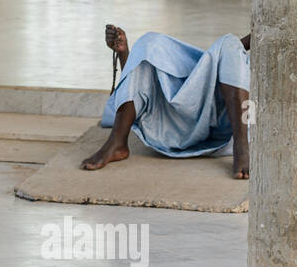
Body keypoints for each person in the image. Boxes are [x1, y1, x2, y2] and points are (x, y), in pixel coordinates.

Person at [81, 24, 251, 180]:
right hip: (167, 129)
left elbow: (234, 55)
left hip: (226, 128)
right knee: (149, 41)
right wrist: (125, 54)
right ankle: (117, 142)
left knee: (230, 43)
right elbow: (137, 90)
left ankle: (242, 145)